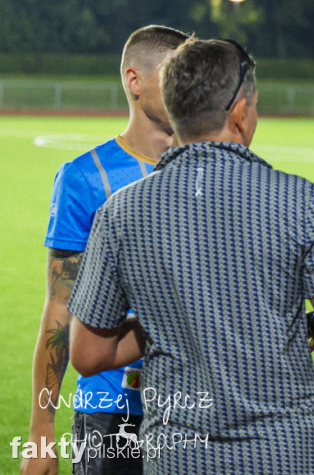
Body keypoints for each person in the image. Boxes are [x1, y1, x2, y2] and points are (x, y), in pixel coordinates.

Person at [67, 38, 314, 473]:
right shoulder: (299, 199)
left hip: (179, 458)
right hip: (288, 454)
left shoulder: (120, 213)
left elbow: (89, 354)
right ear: (240, 113)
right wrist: (305, 325)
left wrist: (171, 323)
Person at [25, 24, 187, 475]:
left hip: (196, 407)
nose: (185, 88)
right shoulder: (85, 177)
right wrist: (41, 433)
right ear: (134, 81)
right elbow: (60, 309)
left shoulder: (209, 172)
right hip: (110, 409)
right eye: (174, 75)